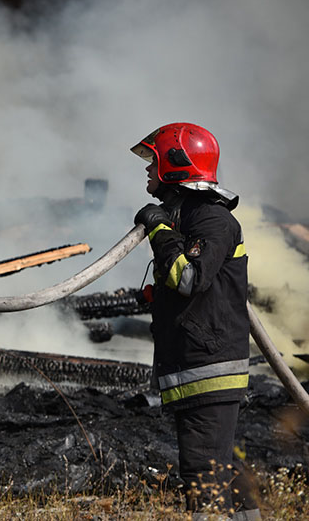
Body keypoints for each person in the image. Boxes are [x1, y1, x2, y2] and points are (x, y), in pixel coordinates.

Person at [131, 122, 260, 520]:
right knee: (222, 468)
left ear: (176, 163)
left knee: (203, 473)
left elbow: (189, 278)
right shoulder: (187, 217)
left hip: (209, 366)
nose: (147, 170)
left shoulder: (212, 220)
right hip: (197, 364)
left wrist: (159, 231)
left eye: (153, 161)